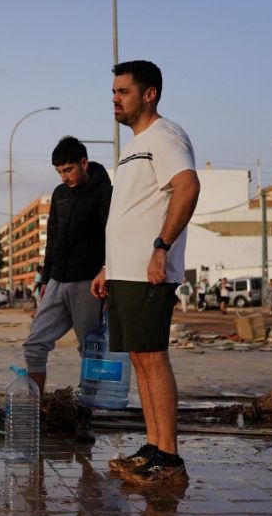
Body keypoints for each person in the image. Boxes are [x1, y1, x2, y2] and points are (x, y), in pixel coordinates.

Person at [91, 60, 200, 485]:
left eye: (123, 92)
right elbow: (132, 210)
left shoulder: (165, 135)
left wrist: (161, 247)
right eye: (114, 92)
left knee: (153, 357)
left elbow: (187, 187)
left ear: (149, 94)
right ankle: (155, 446)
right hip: (125, 272)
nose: (115, 99)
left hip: (150, 271)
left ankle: (169, 457)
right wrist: (108, 265)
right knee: (139, 357)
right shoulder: (134, 145)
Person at [22, 136, 112, 442]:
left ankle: (85, 417)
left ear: (84, 163)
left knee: (90, 352)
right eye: (59, 171)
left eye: (69, 169)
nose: (64, 177)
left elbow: (112, 236)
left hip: (89, 282)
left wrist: (106, 272)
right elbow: (52, 241)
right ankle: (35, 416)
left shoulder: (104, 192)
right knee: (34, 345)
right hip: (57, 281)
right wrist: (45, 279)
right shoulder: (59, 194)